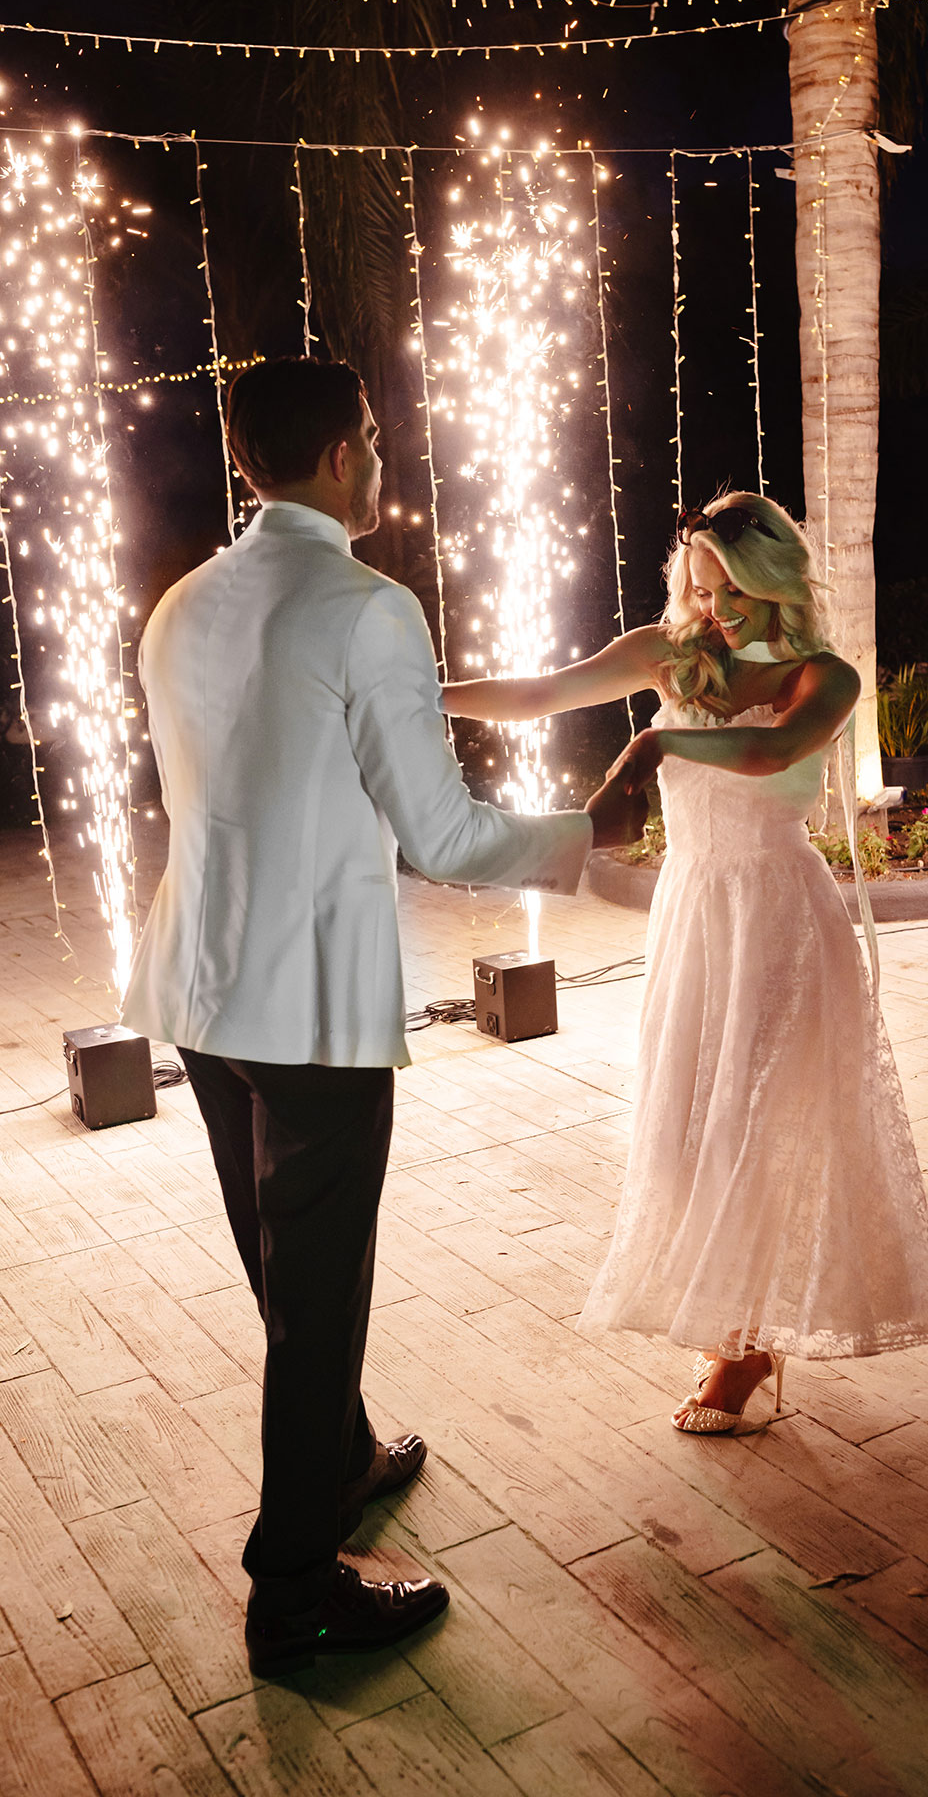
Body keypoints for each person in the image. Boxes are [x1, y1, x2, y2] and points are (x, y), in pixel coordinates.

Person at [121, 357, 646, 1678]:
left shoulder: (181, 605)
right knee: (318, 1292)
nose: (378, 459)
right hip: (306, 1011)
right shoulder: (369, 606)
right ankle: (293, 1588)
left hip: (196, 984)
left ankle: (344, 1458)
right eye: (372, 439)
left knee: (279, 1272)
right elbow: (448, 836)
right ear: (347, 456)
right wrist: (587, 833)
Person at [443, 492, 928, 1433]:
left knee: (752, 1122)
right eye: (700, 587)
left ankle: (739, 1348)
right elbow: (542, 691)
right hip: (693, 910)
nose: (713, 610)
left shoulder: (824, 676)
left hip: (778, 915)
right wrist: (422, 696)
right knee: (685, 1122)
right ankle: (738, 1325)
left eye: (730, 591)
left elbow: (770, 752)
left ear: (773, 580)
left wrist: (656, 739)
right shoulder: (670, 653)